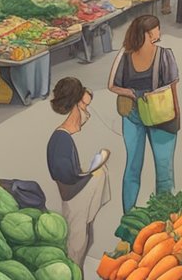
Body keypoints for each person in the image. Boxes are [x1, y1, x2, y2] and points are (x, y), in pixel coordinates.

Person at [107, 14, 179, 213]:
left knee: (137, 168)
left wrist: (131, 93)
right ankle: (153, 217)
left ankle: (141, 215)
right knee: (158, 170)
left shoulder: (134, 54)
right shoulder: (161, 55)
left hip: (137, 116)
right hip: (156, 116)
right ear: (149, 33)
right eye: (157, 28)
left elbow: (112, 85)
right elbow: (172, 91)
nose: (159, 31)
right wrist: (176, 118)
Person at [47, 77, 111, 265]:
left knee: (82, 242)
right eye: (84, 107)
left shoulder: (65, 138)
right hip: (74, 200)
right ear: (74, 106)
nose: (86, 113)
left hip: (76, 197)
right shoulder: (61, 140)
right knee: (75, 248)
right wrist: (93, 171)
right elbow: (66, 176)